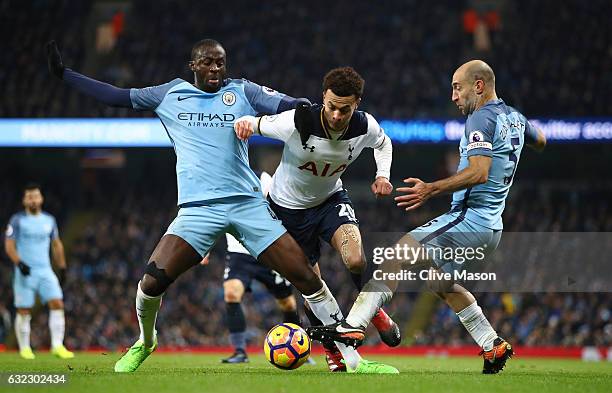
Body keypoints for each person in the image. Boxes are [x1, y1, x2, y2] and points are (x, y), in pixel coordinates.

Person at [46, 39, 396, 374]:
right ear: (193, 65)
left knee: (306, 276)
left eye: (221, 62)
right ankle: (145, 342)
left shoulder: (243, 91)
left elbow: (296, 106)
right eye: (208, 62)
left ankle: (353, 360)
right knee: (152, 282)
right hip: (198, 208)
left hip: (248, 204)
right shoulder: (169, 94)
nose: (215, 68)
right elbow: (115, 96)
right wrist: (65, 74)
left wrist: (312, 115)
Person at [306, 60, 546, 374]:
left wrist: (431, 189)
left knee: (398, 254)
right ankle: (492, 345)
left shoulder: (480, 117)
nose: (453, 97)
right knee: (440, 283)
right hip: (492, 225)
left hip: (469, 218)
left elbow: (480, 172)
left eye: (457, 88)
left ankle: (353, 326)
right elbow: (540, 139)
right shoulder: (513, 116)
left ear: (479, 86)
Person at [233, 66, 400, 372]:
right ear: (324, 97)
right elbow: (254, 124)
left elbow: (384, 143)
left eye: (345, 109)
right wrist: (244, 124)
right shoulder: (299, 120)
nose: (337, 116)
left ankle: (371, 311)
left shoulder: (364, 126)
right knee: (313, 287)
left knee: (355, 260)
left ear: (357, 103)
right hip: (286, 212)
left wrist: (383, 175)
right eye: (332, 107)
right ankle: (333, 353)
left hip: (329, 201)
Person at [203, 172, 310, 364]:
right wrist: (205, 248)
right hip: (239, 253)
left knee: (287, 304)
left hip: (267, 250)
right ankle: (239, 351)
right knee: (231, 293)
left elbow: (284, 211)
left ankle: (299, 346)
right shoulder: (224, 188)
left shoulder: (265, 182)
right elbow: (214, 221)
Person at [4, 184, 74, 359]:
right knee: (23, 309)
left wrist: (63, 267)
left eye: (35, 196)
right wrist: (19, 263)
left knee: (57, 303)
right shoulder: (17, 220)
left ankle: (57, 346)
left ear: (41, 199)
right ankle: (24, 348)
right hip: (25, 271)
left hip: (45, 270)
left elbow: (56, 244)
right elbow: (9, 245)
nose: (33, 200)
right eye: (29, 197)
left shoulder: (49, 220)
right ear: (24, 200)